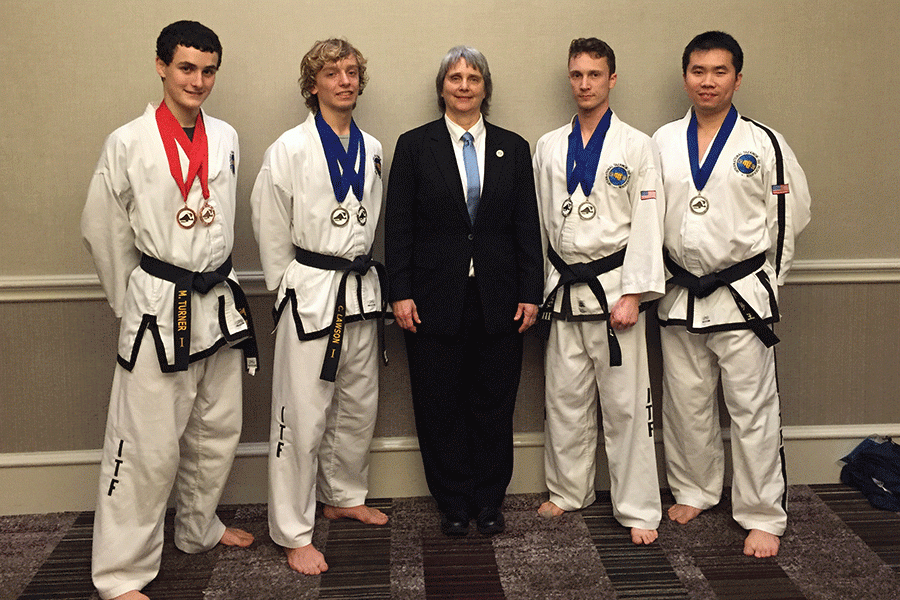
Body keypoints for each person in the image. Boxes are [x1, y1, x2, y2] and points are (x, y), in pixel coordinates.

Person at [82, 20, 257, 600]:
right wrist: (132, 299)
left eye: (208, 70)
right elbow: (103, 231)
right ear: (161, 66)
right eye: (187, 68)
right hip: (161, 303)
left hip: (219, 298)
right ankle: (121, 574)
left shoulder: (227, 136)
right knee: (146, 444)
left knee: (216, 429)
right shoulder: (128, 140)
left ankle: (198, 527)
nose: (198, 81)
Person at [652, 31, 811, 558]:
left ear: (737, 78)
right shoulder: (664, 141)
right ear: (685, 77)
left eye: (719, 71)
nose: (707, 81)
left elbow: (788, 217)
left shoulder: (763, 142)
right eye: (698, 71)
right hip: (681, 294)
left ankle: (763, 514)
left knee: (752, 410)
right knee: (686, 405)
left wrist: (769, 281)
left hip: (742, 293)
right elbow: (650, 217)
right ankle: (696, 489)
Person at [385, 46, 543, 537]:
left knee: (493, 404)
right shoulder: (414, 146)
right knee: (439, 405)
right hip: (432, 301)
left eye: (474, 77)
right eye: (455, 77)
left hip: (499, 299)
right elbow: (398, 228)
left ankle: (489, 502)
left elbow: (525, 227)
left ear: (485, 88)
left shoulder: (513, 148)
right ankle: (453, 503)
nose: (464, 85)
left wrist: (531, 291)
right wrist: (400, 292)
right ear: (442, 88)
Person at [250, 38, 388, 576]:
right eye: (332, 73)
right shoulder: (288, 148)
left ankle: (344, 494)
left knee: (357, 405)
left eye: (352, 72)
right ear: (313, 85)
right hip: (310, 291)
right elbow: (269, 225)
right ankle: (292, 529)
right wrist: (289, 288)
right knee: (301, 416)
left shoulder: (373, 147)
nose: (345, 81)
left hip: (359, 289)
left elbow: (371, 217)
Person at [533, 38, 665, 545]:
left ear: (612, 78)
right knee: (564, 398)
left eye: (595, 74)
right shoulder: (548, 146)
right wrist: (546, 287)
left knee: (627, 406)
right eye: (577, 75)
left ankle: (637, 507)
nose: (584, 84)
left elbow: (649, 223)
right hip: (564, 290)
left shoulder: (636, 145)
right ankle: (569, 490)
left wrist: (634, 293)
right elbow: (544, 225)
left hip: (615, 293)